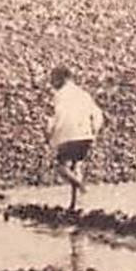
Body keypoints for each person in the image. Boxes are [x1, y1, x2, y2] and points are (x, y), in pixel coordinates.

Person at [46, 66, 106, 211]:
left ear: (62, 78)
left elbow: (55, 117)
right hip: (86, 135)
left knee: (61, 168)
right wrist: (94, 132)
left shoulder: (59, 95)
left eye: (53, 79)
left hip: (68, 136)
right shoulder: (84, 94)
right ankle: (74, 203)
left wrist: (49, 134)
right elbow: (97, 114)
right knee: (76, 166)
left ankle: (81, 187)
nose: (51, 82)